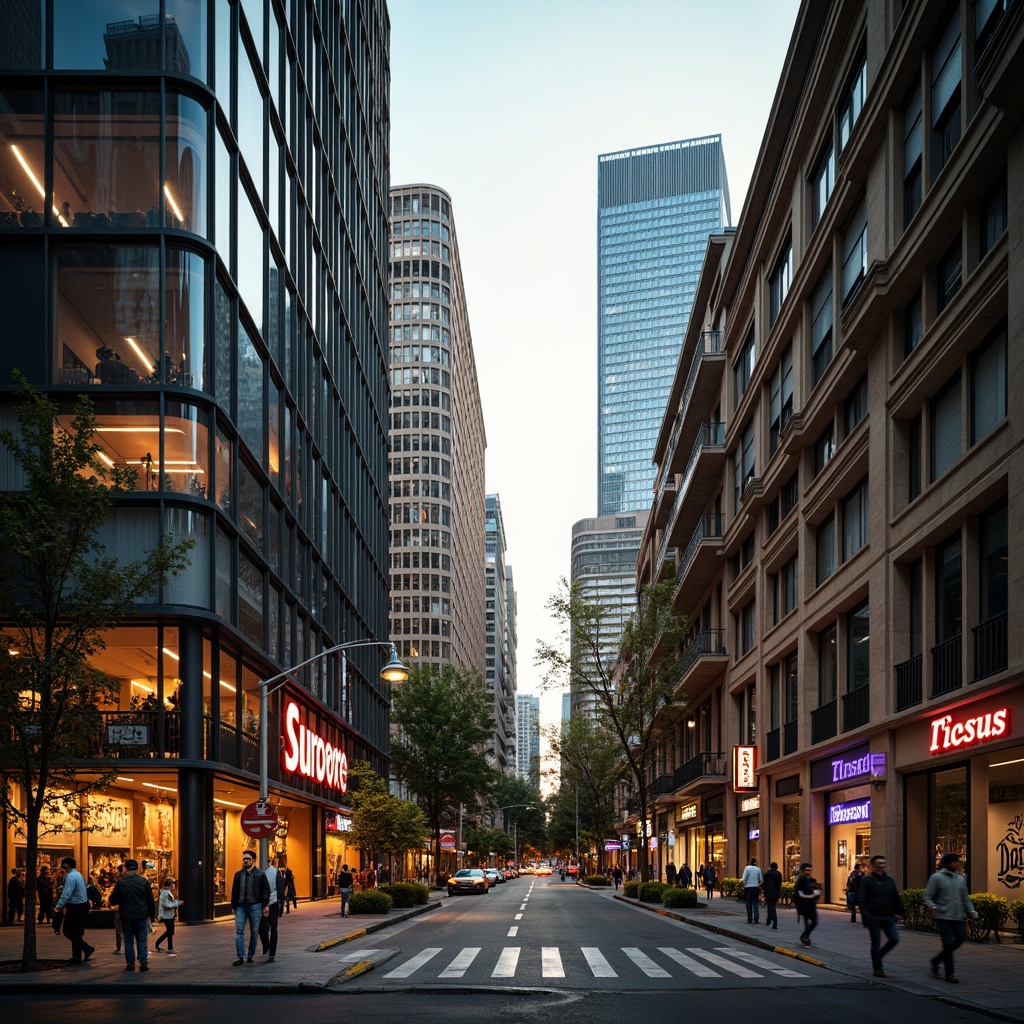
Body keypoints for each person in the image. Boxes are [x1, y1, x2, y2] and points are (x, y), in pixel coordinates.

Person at [925, 853, 977, 984]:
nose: (957, 864)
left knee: (961, 938)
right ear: (947, 863)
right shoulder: (936, 877)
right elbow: (928, 896)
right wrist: (932, 907)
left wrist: (971, 909)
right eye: (954, 862)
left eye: (958, 861)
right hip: (942, 915)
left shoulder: (960, 879)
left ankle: (936, 960)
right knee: (948, 943)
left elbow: (965, 897)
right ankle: (950, 973)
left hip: (957, 915)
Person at [857, 854, 903, 978]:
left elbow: (895, 897)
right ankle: (878, 968)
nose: (881, 866)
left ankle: (878, 956)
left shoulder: (889, 881)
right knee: (875, 943)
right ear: (873, 866)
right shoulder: (867, 880)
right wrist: (866, 915)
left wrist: (900, 912)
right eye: (879, 864)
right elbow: (861, 898)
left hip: (888, 916)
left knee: (894, 939)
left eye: (883, 864)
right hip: (874, 916)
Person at [108, 858, 157, 972]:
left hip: (126, 916)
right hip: (141, 915)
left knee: (129, 940)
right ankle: (143, 962)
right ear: (137, 868)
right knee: (142, 939)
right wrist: (152, 915)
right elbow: (150, 901)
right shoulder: (144, 882)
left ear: (125, 868)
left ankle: (130, 963)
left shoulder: (121, 882)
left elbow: (113, 900)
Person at [230, 851, 270, 966]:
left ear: (254, 860)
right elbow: (235, 891)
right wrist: (234, 906)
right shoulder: (238, 874)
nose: (245, 861)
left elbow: (265, 890)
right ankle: (240, 956)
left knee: (254, 932)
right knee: (239, 931)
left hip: (255, 906)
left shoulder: (260, 874)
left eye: (248, 858)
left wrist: (265, 904)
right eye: (244, 859)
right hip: (241, 907)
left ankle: (250, 955)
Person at [53, 857, 95, 965]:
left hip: (75, 907)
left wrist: (58, 906)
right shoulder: (77, 874)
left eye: (63, 864)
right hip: (82, 906)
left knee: (68, 931)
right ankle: (76, 956)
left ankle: (86, 948)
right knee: (76, 932)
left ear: (67, 865)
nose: (61, 866)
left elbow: (67, 893)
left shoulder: (71, 876)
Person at [259, 860, 286, 962]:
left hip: (273, 903)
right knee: (261, 927)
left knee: (273, 928)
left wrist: (281, 903)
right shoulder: (256, 872)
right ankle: (266, 945)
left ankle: (272, 953)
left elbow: (280, 888)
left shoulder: (274, 872)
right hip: (262, 903)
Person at [794, 862, 821, 947]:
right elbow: (797, 894)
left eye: (810, 870)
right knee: (809, 922)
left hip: (811, 905)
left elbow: (817, 890)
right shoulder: (800, 880)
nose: (809, 871)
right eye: (807, 870)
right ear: (802, 871)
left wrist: (816, 893)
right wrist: (798, 910)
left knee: (814, 922)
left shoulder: (811, 880)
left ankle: (805, 936)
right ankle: (805, 937)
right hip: (804, 905)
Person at [154, 877, 183, 955]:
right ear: (170, 885)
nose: (174, 886)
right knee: (170, 931)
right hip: (166, 915)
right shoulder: (165, 893)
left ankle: (161, 945)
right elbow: (167, 904)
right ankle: (167, 947)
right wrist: (177, 903)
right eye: (173, 884)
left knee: (170, 931)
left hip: (169, 914)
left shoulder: (167, 892)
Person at [741, 857, 763, 924]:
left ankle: (749, 918)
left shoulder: (747, 868)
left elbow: (744, 878)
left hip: (748, 887)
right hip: (755, 887)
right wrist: (757, 883)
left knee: (748, 903)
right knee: (755, 902)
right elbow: (760, 879)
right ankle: (756, 917)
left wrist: (744, 884)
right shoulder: (758, 869)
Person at [763, 861, 783, 930]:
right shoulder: (779, 874)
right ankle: (769, 921)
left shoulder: (767, 874)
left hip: (769, 893)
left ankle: (774, 923)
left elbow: (764, 885)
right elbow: (779, 884)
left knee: (771, 908)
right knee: (772, 907)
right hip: (776, 893)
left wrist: (764, 893)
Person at [111, 863, 126, 954]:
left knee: (120, 929)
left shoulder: (120, 882)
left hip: (123, 908)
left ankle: (120, 947)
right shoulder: (121, 881)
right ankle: (120, 946)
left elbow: (113, 897)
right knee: (120, 929)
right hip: (126, 908)